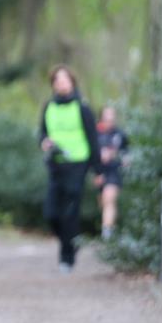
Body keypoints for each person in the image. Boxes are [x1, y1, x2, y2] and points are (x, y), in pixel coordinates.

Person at [38, 65, 102, 273]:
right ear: (53, 84)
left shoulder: (82, 107)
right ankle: (71, 241)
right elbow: (42, 132)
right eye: (58, 80)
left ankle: (67, 256)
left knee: (71, 210)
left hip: (78, 163)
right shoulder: (49, 106)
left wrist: (98, 170)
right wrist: (44, 142)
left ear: (72, 83)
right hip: (56, 164)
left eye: (65, 80)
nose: (62, 83)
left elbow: (93, 139)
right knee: (51, 213)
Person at [94, 106, 129, 240]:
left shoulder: (120, 134)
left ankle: (107, 233)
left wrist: (123, 159)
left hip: (114, 172)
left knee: (109, 199)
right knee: (104, 203)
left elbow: (127, 152)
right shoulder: (95, 134)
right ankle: (112, 227)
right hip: (99, 172)